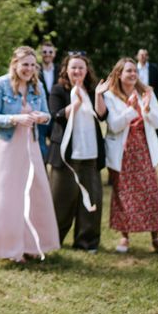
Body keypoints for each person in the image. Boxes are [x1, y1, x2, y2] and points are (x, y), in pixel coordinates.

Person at [0, 46, 60, 262]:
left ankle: (33, 245)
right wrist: (15, 119)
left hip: (30, 145)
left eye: (33, 65)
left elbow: (47, 114)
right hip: (6, 146)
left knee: (35, 193)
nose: (29, 69)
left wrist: (41, 117)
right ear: (14, 63)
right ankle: (9, 249)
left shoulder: (37, 86)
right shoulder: (0, 84)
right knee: (9, 196)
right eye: (25, 64)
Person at [104, 58, 158, 255]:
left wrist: (147, 109)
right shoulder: (110, 96)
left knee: (151, 194)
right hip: (123, 153)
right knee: (123, 195)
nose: (133, 74)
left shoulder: (146, 93)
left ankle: (156, 238)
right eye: (128, 71)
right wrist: (130, 110)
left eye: (135, 71)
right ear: (119, 74)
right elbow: (115, 125)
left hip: (144, 151)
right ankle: (125, 237)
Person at [48, 53, 108, 253]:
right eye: (73, 68)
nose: (77, 71)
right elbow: (56, 115)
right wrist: (76, 104)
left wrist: (98, 95)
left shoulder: (92, 90)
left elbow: (102, 115)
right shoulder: (58, 90)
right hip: (65, 156)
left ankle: (87, 242)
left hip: (91, 154)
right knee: (61, 200)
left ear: (86, 70)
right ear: (66, 70)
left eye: (81, 68)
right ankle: (53, 239)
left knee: (92, 200)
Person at [136, 49, 158, 145]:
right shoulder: (134, 69)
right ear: (137, 56)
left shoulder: (153, 68)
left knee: (155, 118)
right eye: (141, 55)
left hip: (151, 97)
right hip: (138, 98)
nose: (143, 56)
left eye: (145, 55)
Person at [38, 40, 60, 161]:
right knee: (41, 146)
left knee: (56, 143)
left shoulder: (59, 70)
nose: (47, 54)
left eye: (50, 52)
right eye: (44, 52)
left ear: (54, 54)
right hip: (41, 112)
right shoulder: (35, 70)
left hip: (55, 114)